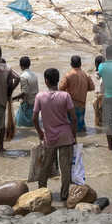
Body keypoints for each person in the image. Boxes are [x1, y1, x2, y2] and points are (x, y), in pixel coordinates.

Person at [33, 68, 77, 203]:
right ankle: (64, 196)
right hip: (65, 135)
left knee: (45, 167)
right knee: (65, 169)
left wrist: (40, 132)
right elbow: (74, 119)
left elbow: (34, 118)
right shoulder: (65, 96)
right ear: (57, 80)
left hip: (49, 137)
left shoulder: (40, 96)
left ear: (46, 81)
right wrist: (74, 136)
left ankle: (42, 193)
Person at [59, 56, 95, 132]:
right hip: (82, 104)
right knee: (81, 123)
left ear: (71, 64)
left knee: (71, 125)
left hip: (70, 104)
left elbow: (61, 88)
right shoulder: (86, 75)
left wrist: (68, 89)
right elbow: (92, 87)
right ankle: (82, 138)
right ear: (80, 64)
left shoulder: (68, 75)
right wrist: (84, 89)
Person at [13, 56, 39, 127]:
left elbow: (24, 92)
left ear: (20, 65)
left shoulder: (23, 76)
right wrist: (19, 96)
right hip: (35, 102)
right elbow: (30, 89)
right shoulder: (34, 74)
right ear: (30, 64)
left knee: (20, 126)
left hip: (27, 104)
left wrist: (13, 98)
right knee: (33, 124)